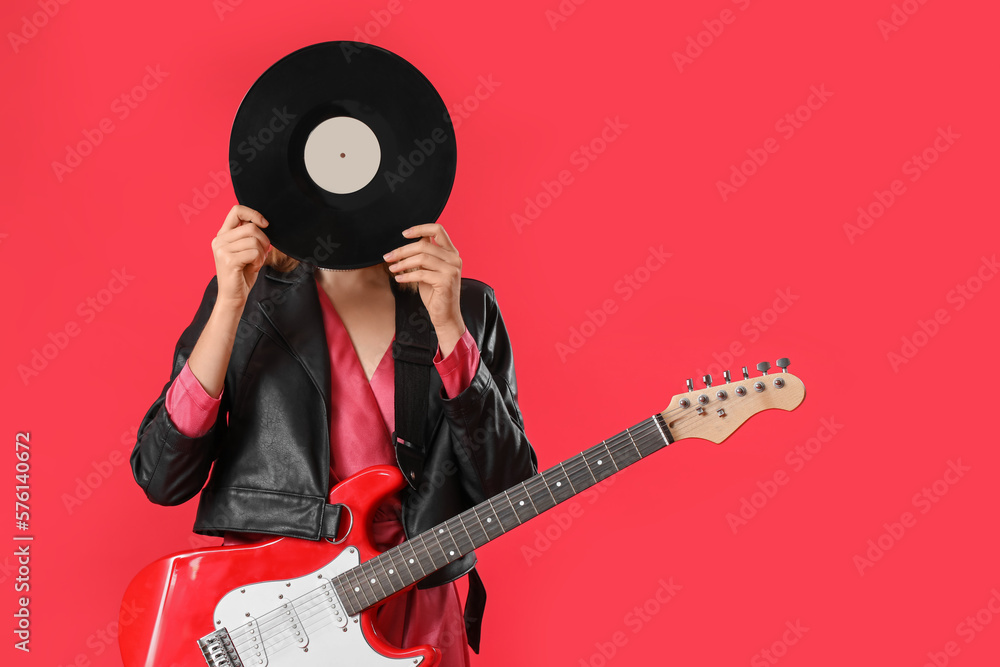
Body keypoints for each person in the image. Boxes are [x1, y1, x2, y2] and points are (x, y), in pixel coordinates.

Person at [130, 204, 538, 666]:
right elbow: (162, 476)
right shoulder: (246, 295)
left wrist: (449, 326)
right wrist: (228, 304)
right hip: (275, 612)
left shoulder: (467, 305)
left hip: (415, 603)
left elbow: (507, 488)